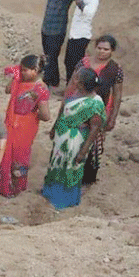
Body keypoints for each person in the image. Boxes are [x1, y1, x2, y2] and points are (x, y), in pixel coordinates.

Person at [42, 68, 106, 209]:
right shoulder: (73, 93)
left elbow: (95, 128)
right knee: (56, 164)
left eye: (77, 78)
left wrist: (83, 151)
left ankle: (65, 200)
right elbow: (62, 112)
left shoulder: (95, 103)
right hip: (62, 138)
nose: (73, 79)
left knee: (70, 168)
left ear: (83, 84)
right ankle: (51, 193)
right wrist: (54, 128)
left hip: (75, 140)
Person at [65, 34, 123, 185]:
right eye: (99, 48)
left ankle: (88, 177)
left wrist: (113, 117)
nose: (102, 52)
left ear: (112, 51)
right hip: (78, 108)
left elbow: (117, 95)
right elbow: (71, 84)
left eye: (106, 49)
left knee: (93, 141)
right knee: (73, 139)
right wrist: (66, 103)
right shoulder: (83, 63)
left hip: (100, 109)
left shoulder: (115, 69)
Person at [0, 54, 51, 198]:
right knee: (4, 153)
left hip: (25, 128)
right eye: (20, 70)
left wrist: (35, 103)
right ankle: (3, 186)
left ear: (35, 70)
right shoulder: (20, 81)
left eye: (24, 70)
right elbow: (8, 90)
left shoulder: (41, 89)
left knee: (19, 157)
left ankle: (17, 188)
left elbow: (46, 116)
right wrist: (15, 77)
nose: (21, 72)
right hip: (11, 123)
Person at [33, 0, 78, 89]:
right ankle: (55, 81)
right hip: (46, 28)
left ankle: (47, 83)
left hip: (57, 31)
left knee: (50, 57)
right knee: (49, 56)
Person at [64, 0, 100, 83]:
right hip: (74, 34)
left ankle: (76, 87)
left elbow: (88, 13)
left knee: (76, 64)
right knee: (68, 62)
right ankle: (70, 86)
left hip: (81, 35)